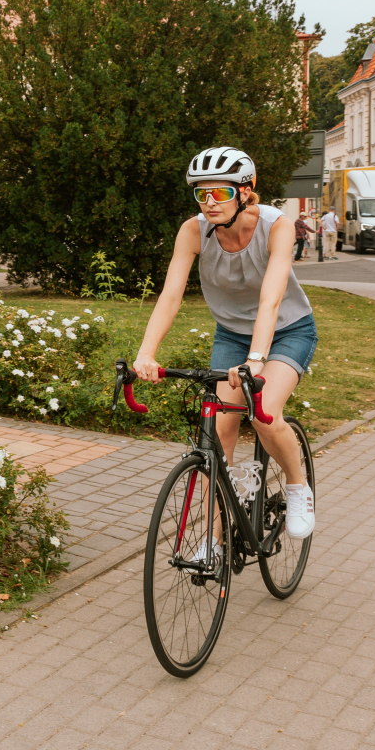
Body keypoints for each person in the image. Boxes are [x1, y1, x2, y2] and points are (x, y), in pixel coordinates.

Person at [132, 146, 317, 563]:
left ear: (247, 192)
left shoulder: (277, 226)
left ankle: (297, 486)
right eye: (202, 194)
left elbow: (271, 298)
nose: (209, 202)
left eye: (219, 192)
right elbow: (171, 295)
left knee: (264, 412)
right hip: (232, 335)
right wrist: (147, 353)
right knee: (218, 433)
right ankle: (212, 540)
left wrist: (256, 360)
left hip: (288, 331)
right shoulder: (193, 231)